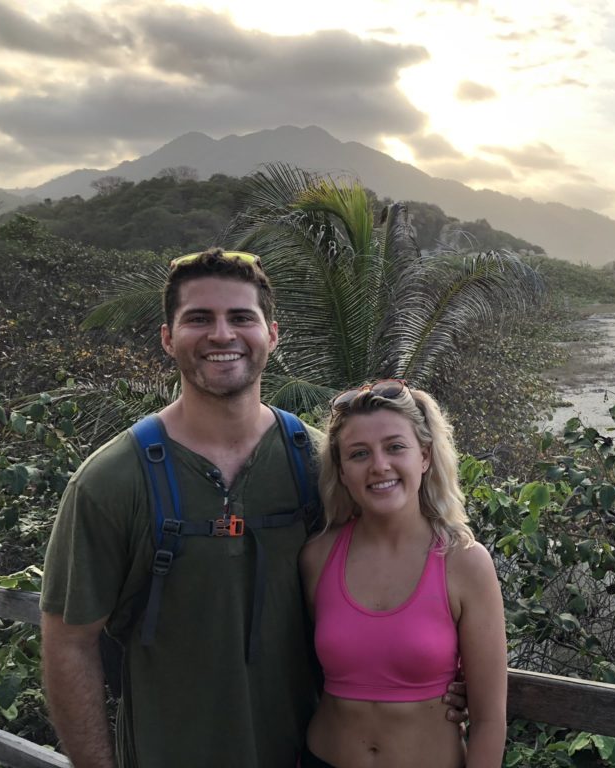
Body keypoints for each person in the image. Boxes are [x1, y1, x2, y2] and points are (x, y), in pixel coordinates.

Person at [39, 249, 467, 767]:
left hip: (307, 755)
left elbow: (400, 572)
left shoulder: (324, 466)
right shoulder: (111, 482)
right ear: (168, 337)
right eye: (199, 318)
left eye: (242, 317)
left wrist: (445, 674)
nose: (223, 335)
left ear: (272, 335)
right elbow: (69, 644)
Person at [300, 380, 507, 768]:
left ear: (424, 457)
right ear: (342, 471)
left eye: (396, 447)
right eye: (359, 454)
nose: (380, 465)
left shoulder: (464, 562)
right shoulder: (317, 556)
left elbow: (490, 720)